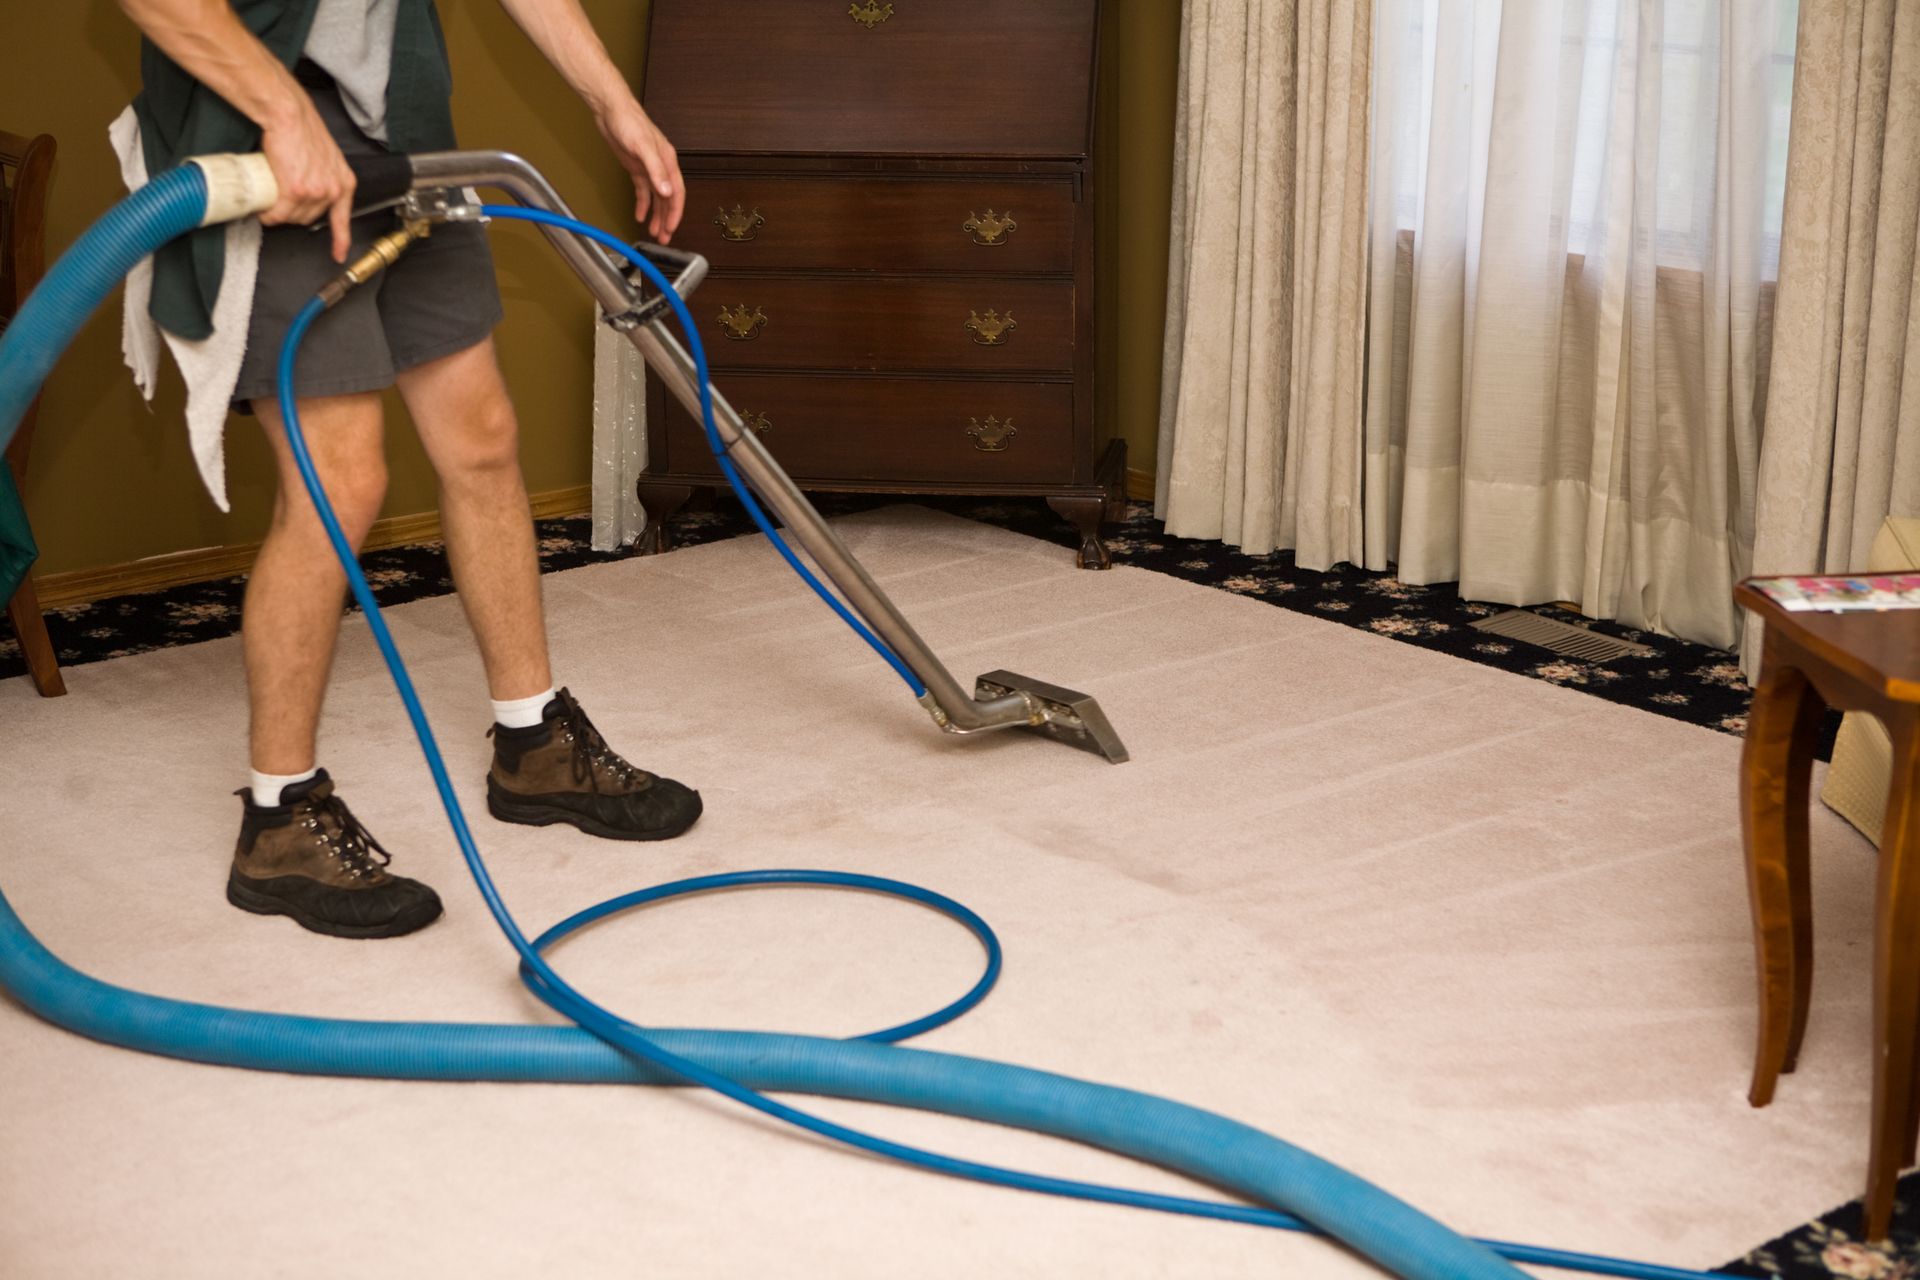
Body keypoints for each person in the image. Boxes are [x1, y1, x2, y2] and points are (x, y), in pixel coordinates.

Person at [117, 0, 699, 940]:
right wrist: (283, 108)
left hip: (405, 133)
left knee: (482, 437)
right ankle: (278, 819)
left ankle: (534, 741)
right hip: (265, 143)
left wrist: (612, 102)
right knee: (338, 485)